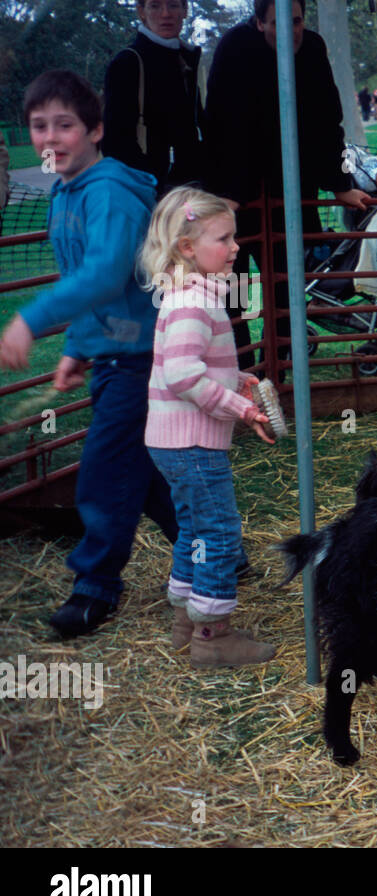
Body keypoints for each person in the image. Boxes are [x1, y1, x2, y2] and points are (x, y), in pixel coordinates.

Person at [0, 70, 177, 636]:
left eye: (65, 125)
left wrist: (31, 319)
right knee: (143, 474)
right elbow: (85, 277)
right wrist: (77, 347)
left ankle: (95, 585)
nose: (50, 138)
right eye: (38, 126)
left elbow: (104, 274)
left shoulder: (108, 192)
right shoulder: (64, 192)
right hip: (113, 354)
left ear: (96, 129)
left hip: (144, 356)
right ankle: (215, 551)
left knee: (104, 472)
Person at [140, 187, 278, 667]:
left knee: (194, 531)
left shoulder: (192, 294)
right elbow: (182, 376)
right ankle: (213, 637)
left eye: (234, 237)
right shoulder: (192, 303)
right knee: (219, 533)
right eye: (224, 238)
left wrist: (236, 379)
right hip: (192, 443)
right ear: (187, 247)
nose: (236, 247)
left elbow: (191, 364)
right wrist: (239, 409)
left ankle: (186, 623)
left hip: (175, 441)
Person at [203, 0, 369, 371]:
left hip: (291, 192)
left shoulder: (311, 48)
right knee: (236, 284)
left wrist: (340, 184)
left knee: (287, 286)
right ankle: (242, 370)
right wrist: (227, 192)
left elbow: (329, 120)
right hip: (237, 199)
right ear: (258, 22)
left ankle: (275, 370)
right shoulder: (234, 49)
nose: (290, 32)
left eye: (296, 22)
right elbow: (219, 124)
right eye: (278, 23)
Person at [102, 0, 203, 198]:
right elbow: (114, 144)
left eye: (173, 5)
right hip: (148, 196)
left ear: (185, 10)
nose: (165, 14)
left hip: (189, 191)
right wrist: (151, 188)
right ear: (141, 11)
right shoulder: (128, 63)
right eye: (155, 6)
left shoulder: (189, 60)